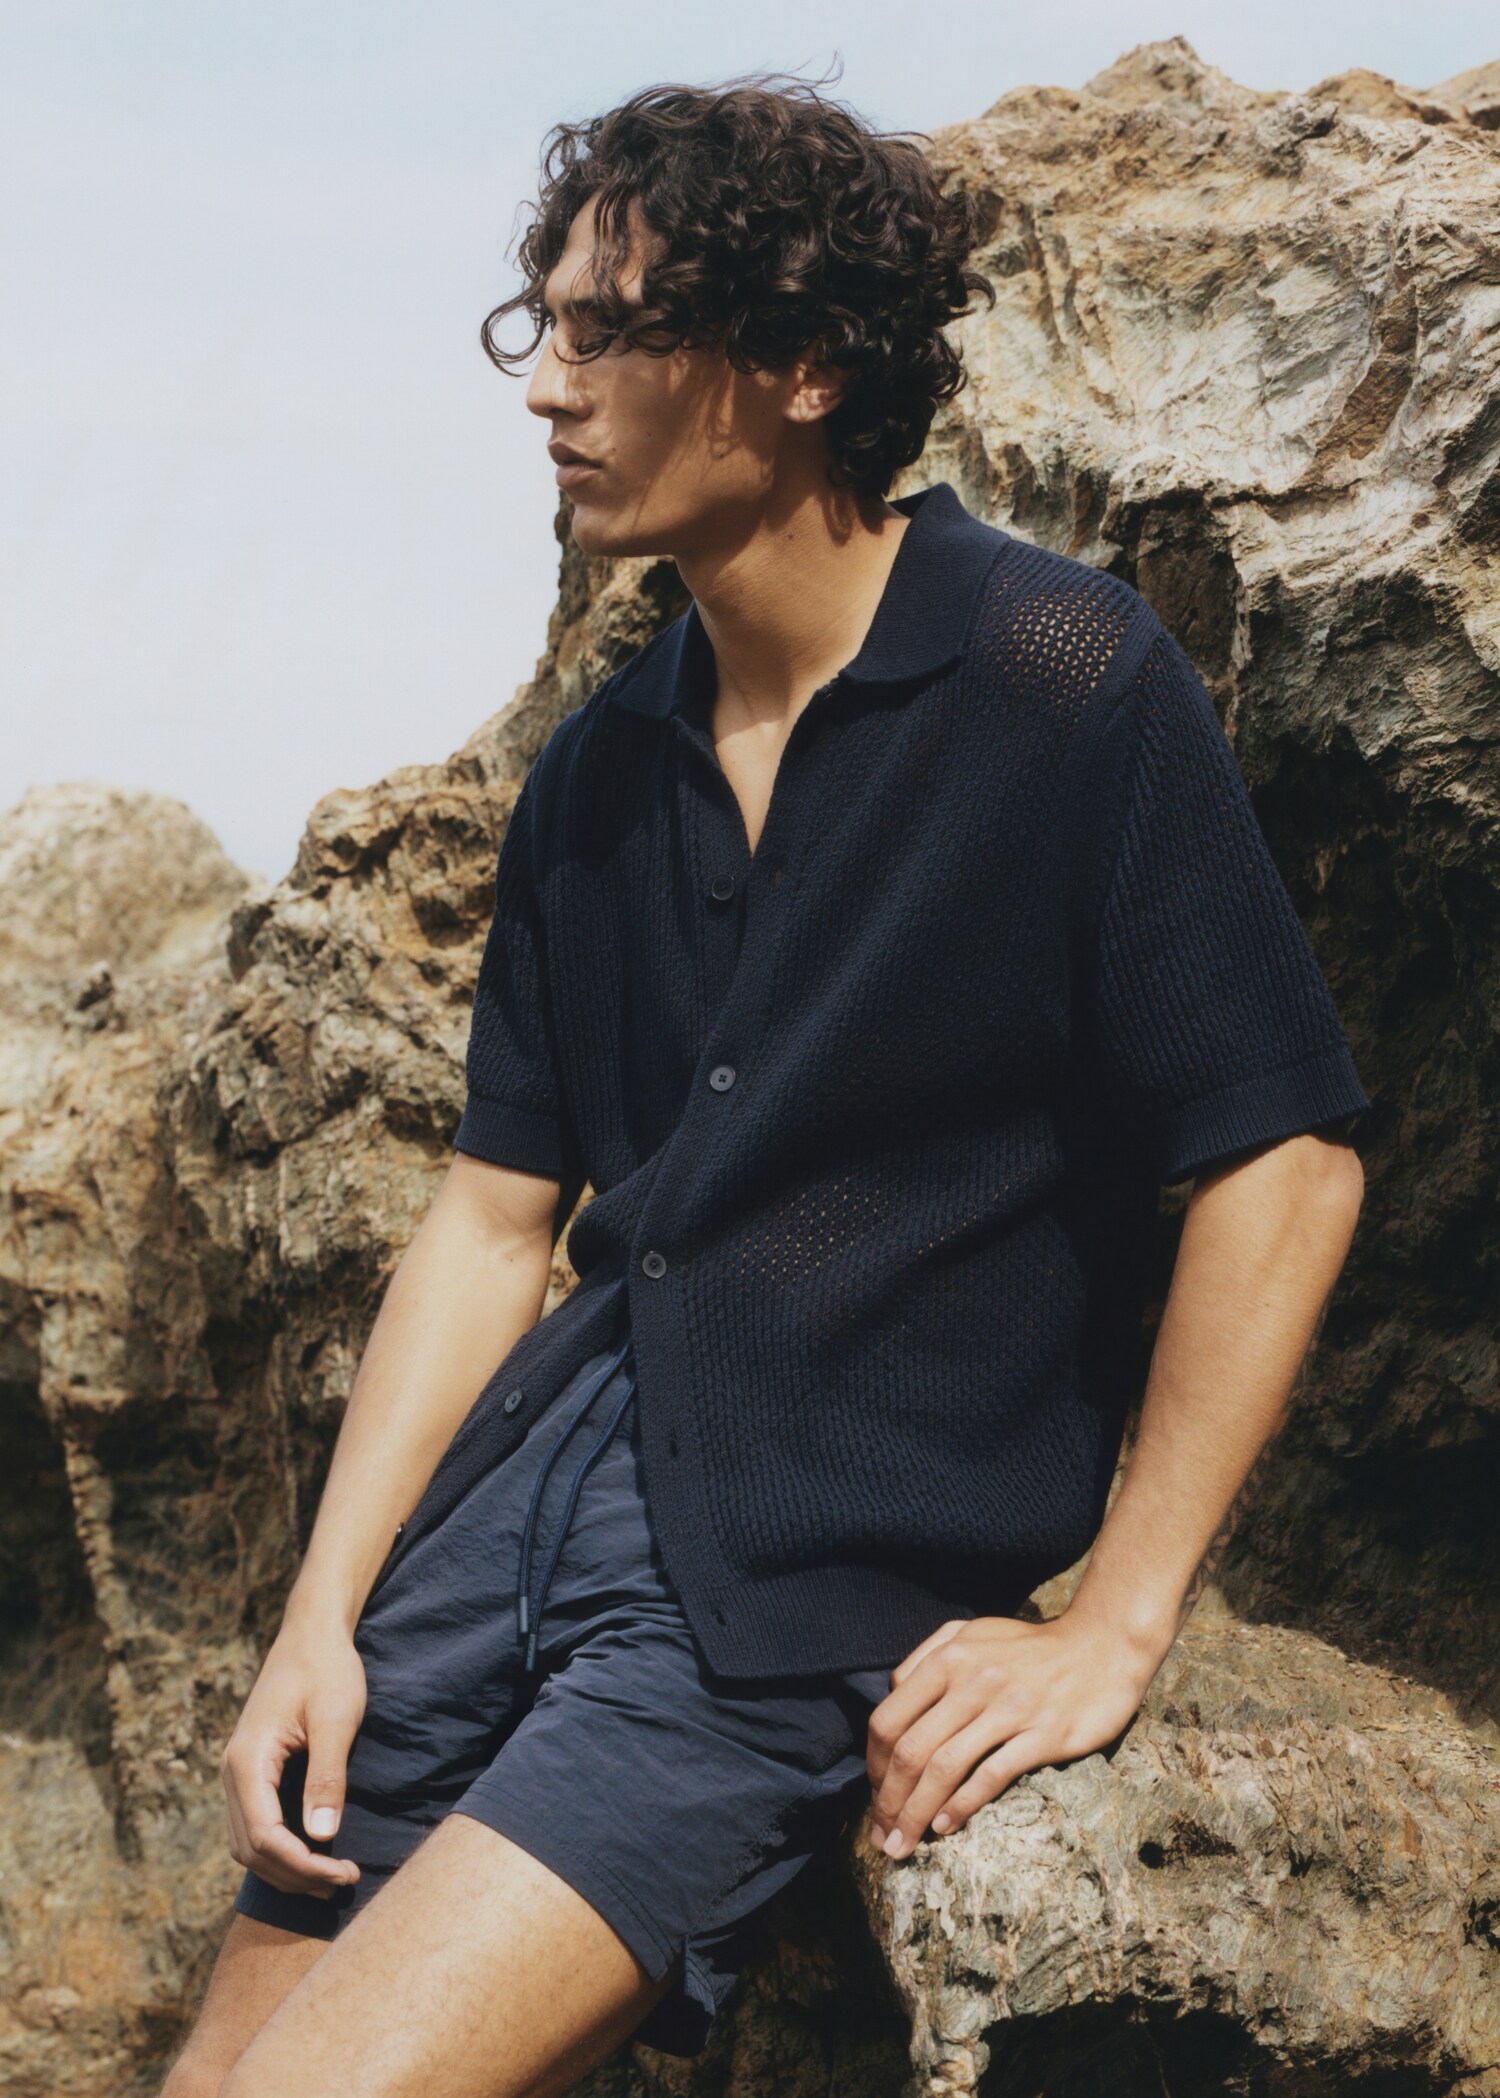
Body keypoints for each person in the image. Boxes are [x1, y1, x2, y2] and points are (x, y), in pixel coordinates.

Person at [161, 69, 1371, 2098]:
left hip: (774, 1607)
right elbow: (493, 1217)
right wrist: (324, 1615)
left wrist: (1116, 1618)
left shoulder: (1059, 677)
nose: (549, 385)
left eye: (613, 331)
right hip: (493, 1545)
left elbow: (1289, 1157)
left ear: (806, 365)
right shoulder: (600, 767)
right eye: (541, 322)